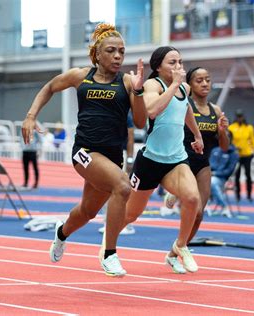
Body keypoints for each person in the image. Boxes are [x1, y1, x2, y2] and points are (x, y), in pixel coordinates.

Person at [22, 23, 147, 277]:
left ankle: (61, 232)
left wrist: (138, 90)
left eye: (121, 52)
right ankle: (109, 253)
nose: (117, 57)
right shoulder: (81, 77)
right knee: (123, 186)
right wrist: (31, 115)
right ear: (97, 54)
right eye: (111, 51)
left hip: (112, 156)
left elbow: (142, 121)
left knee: (88, 212)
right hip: (85, 151)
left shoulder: (126, 82)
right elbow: (49, 88)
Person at [116, 46, 204, 274]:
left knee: (193, 198)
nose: (178, 67)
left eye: (180, 62)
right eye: (172, 63)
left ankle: (180, 246)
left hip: (176, 158)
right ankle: (109, 245)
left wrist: (196, 135)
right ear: (158, 67)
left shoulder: (184, 88)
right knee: (131, 214)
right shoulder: (152, 85)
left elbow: (186, 111)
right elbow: (152, 111)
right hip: (151, 160)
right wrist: (174, 84)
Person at [163, 66, 229, 274]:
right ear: (189, 85)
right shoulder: (183, 104)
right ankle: (175, 190)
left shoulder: (216, 111)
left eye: (207, 80)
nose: (204, 84)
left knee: (199, 214)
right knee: (193, 204)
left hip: (202, 163)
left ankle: (175, 252)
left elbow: (224, 146)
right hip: (181, 161)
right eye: (199, 80)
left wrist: (222, 131)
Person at [228, 109, 254, 202]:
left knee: (248, 175)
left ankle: (249, 195)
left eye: (241, 116)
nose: (239, 118)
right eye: (238, 116)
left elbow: (253, 140)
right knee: (237, 175)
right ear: (236, 117)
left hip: (247, 154)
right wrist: (233, 149)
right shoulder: (231, 128)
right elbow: (230, 141)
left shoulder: (249, 128)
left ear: (243, 117)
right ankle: (238, 195)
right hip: (236, 155)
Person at [209, 135, 239, 217]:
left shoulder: (233, 154)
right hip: (208, 176)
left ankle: (224, 206)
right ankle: (180, 206)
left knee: (212, 182)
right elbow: (208, 165)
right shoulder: (215, 150)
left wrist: (215, 173)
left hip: (222, 179)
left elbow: (229, 171)